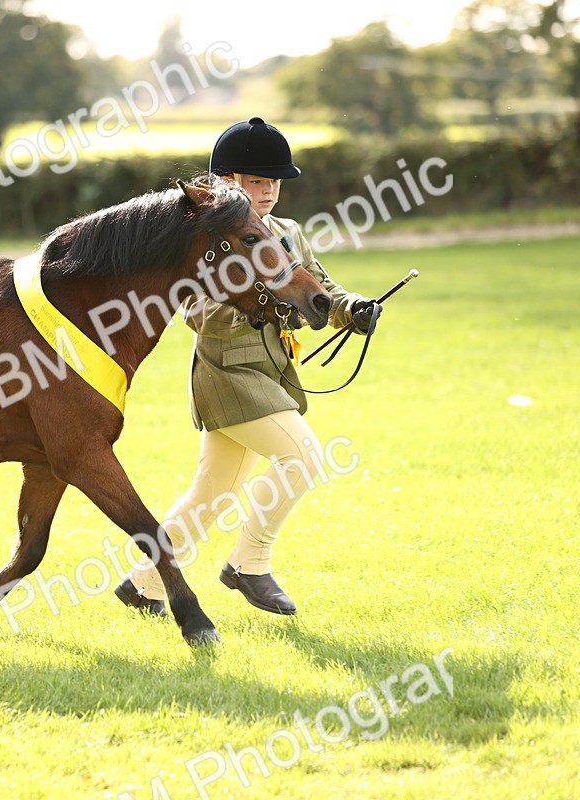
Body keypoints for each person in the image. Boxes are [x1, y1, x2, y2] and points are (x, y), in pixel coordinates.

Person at [114, 117, 382, 617]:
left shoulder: (288, 233)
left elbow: (320, 287)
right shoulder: (200, 240)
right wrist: (274, 302)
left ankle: (145, 583)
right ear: (228, 182)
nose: (270, 192)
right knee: (302, 459)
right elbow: (201, 316)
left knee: (212, 493)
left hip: (273, 370)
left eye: (275, 182)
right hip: (227, 373)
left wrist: (355, 308)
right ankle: (248, 565)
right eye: (259, 181)